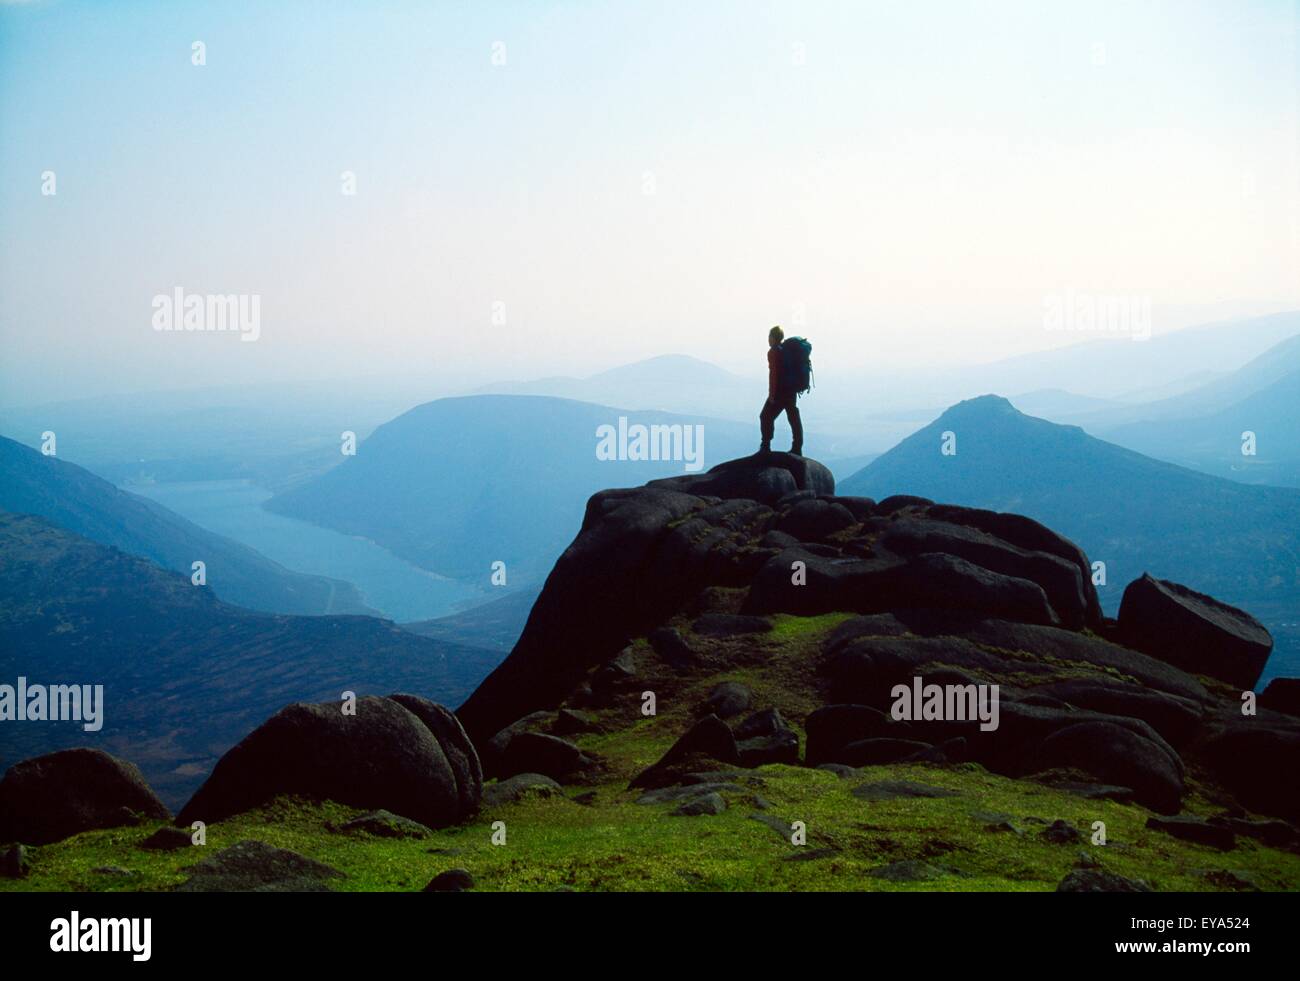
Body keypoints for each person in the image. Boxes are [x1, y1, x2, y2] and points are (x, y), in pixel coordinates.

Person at [759, 325, 803, 455]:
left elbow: (774, 375)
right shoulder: (786, 350)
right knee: (793, 417)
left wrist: (772, 395)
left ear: (773, 338)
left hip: (779, 392)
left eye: (769, 336)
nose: (768, 339)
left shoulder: (773, 352)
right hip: (791, 390)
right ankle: (797, 447)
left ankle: (765, 446)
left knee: (765, 416)